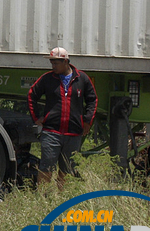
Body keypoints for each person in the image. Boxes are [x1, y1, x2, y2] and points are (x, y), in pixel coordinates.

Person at [27, 47, 97, 189]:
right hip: (51, 132)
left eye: (56, 63)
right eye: (52, 63)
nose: (53, 66)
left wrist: (88, 121)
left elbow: (92, 100)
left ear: (66, 62)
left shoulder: (82, 78)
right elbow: (31, 95)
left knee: (67, 169)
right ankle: (43, 198)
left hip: (73, 132)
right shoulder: (47, 79)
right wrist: (36, 118)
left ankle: (62, 198)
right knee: (46, 166)